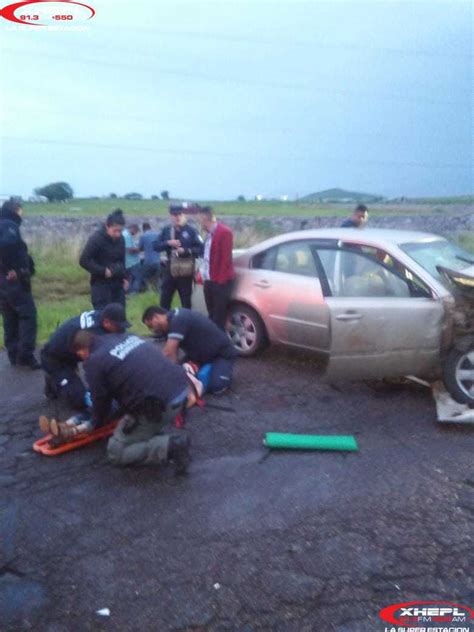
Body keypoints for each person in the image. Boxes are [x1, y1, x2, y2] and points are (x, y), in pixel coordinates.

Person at [68, 330, 193, 472]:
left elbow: (101, 400)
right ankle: (151, 435)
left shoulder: (94, 362)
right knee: (134, 422)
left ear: (81, 351)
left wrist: (94, 423)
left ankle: (172, 446)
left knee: (117, 452)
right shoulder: (123, 336)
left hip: (159, 405)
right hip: (182, 389)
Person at [41, 303, 129, 410]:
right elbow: (94, 367)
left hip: (70, 351)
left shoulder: (103, 316)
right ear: (106, 323)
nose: (121, 330)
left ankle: (59, 379)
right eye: (118, 326)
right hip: (54, 358)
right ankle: (55, 377)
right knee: (79, 400)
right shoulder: (94, 334)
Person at [142, 306, 238, 394]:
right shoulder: (168, 325)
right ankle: (204, 368)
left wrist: (156, 377)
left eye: (151, 326)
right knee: (182, 375)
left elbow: (168, 353)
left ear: (156, 317)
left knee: (217, 387)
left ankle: (219, 370)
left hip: (221, 354)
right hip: (198, 355)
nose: (152, 330)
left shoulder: (178, 319)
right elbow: (172, 355)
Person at [0, 199, 40, 369]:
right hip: (13, 282)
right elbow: (8, 246)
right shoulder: (9, 225)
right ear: (15, 210)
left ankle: (14, 355)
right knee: (27, 317)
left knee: (10, 318)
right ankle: (25, 356)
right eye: (20, 209)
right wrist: (14, 269)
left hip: (2, 283)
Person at [154, 205, 203, 310]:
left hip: (185, 271)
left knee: (186, 302)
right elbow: (155, 246)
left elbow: (201, 249)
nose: (177, 217)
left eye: (180, 214)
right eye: (175, 215)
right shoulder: (166, 230)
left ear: (183, 215)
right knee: (165, 300)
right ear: (170, 216)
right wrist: (168, 243)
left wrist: (186, 251)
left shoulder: (191, 231)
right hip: (170, 270)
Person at [79, 209, 127, 310]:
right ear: (107, 226)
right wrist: (103, 271)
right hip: (101, 285)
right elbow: (84, 260)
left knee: (119, 315)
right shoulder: (96, 239)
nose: (118, 234)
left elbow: (122, 259)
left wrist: (125, 277)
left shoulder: (121, 239)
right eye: (115, 231)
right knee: (103, 316)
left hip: (118, 284)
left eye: (120, 231)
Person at [197, 206, 234, 330]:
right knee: (211, 314)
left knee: (219, 316)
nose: (199, 223)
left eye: (199, 220)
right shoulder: (208, 235)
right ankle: (213, 339)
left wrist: (219, 283)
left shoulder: (224, 232)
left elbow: (225, 259)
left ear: (204, 219)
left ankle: (219, 343)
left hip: (220, 281)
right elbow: (207, 256)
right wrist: (202, 273)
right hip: (209, 279)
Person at [138, 222, 161, 291]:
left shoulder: (143, 236)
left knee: (142, 277)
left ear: (143, 229)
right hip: (157, 261)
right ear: (150, 227)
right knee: (156, 279)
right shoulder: (157, 235)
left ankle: (146, 291)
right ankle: (157, 292)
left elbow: (140, 248)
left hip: (148, 262)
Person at [122, 223, 141, 294]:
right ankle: (133, 293)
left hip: (128, 262)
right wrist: (139, 249)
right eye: (136, 232)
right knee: (137, 278)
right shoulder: (127, 235)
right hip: (132, 262)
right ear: (133, 229)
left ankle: (128, 292)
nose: (135, 234)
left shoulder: (125, 234)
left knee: (130, 278)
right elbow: (129, 250)